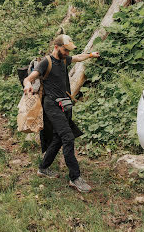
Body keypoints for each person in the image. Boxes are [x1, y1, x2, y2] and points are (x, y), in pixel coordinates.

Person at [23, 34, 100, 192]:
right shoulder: (46, 62)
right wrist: (27, 85)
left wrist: (91, 55)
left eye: (68, 50)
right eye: (65, 50)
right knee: (67, 137)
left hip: (64, 104)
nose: (67, 53)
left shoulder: (64, 59)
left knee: (58, 138)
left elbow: (77, 58)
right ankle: (75, 177)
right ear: (56, 47)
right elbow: (29, 78)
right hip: (51, 104)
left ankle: (43, 168)